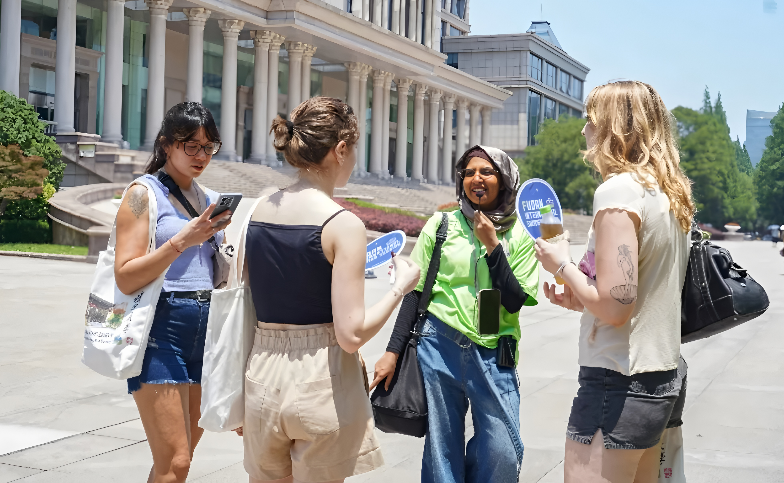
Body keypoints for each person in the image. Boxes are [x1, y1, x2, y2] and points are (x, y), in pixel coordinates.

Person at [240, 96, 420, 483]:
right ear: (340, 149)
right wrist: (399, 289)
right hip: (320, 375)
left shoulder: (257, 209)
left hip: (260, 372)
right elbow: (351, 334)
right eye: (353, 148)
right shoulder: (341, 224)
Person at [534, 80, 695, 483]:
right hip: (661, 377)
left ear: (614, 128)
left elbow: (617, 307)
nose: (583, 131)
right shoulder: (668, 195)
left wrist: (560, 264)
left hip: (616, 383)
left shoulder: (619, 190)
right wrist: (580, 298)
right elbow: (635, 293)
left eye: (590, 120)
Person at [372, 145, 540, 483]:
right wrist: (392, 351)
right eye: (469, 172)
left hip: (495, 352)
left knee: (503, 450)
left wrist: (492, 244)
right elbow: (415, 291)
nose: (476, 178)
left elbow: (513, 300)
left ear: (505, 178)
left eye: (487, 171)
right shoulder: (442, 224)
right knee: (441, 449)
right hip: (439, 344)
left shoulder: (520, 234)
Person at [114, 102, 232, 483]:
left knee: (180, 462)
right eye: (191, 146)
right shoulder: (140, 194)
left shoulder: (208, 199)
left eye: (209, 147)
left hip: (205, 329)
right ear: (166, 145)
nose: (201, 156)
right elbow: (125, 276)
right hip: (159, 330)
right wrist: (182, 240)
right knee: (175, 461)